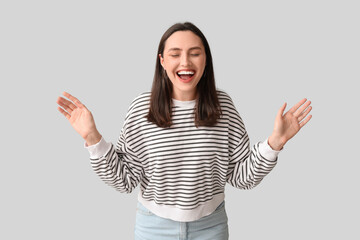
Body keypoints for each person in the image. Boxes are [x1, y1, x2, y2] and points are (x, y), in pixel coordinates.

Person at [56, 22, 312, 240]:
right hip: (153, 227)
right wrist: (93, 138)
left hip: (211, 227)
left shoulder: (223, 107)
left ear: (206, 59)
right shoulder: (140, 108)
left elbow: (241, 177)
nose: (185, 62)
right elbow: (125, 181)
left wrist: (276, 141)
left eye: (195, 53)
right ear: (162, 61)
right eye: (175, 53)